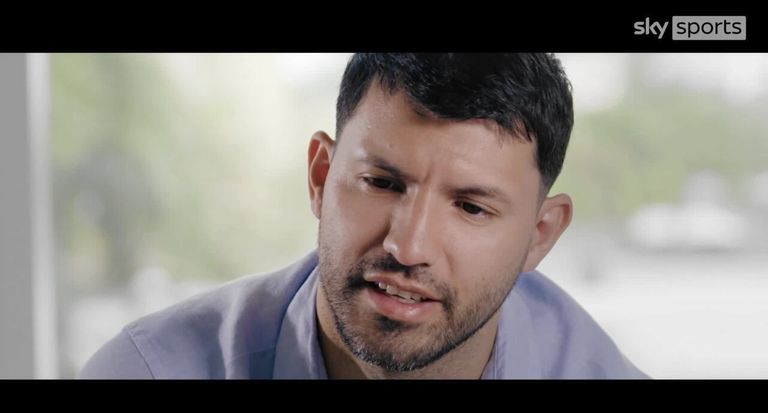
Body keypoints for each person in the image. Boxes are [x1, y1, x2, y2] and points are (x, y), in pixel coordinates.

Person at [79, 53, 647, 379]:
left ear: (539, 237)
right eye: (381, 183)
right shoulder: (148, 372)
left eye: (471, 207)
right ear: (321, 176)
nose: (408, 246)